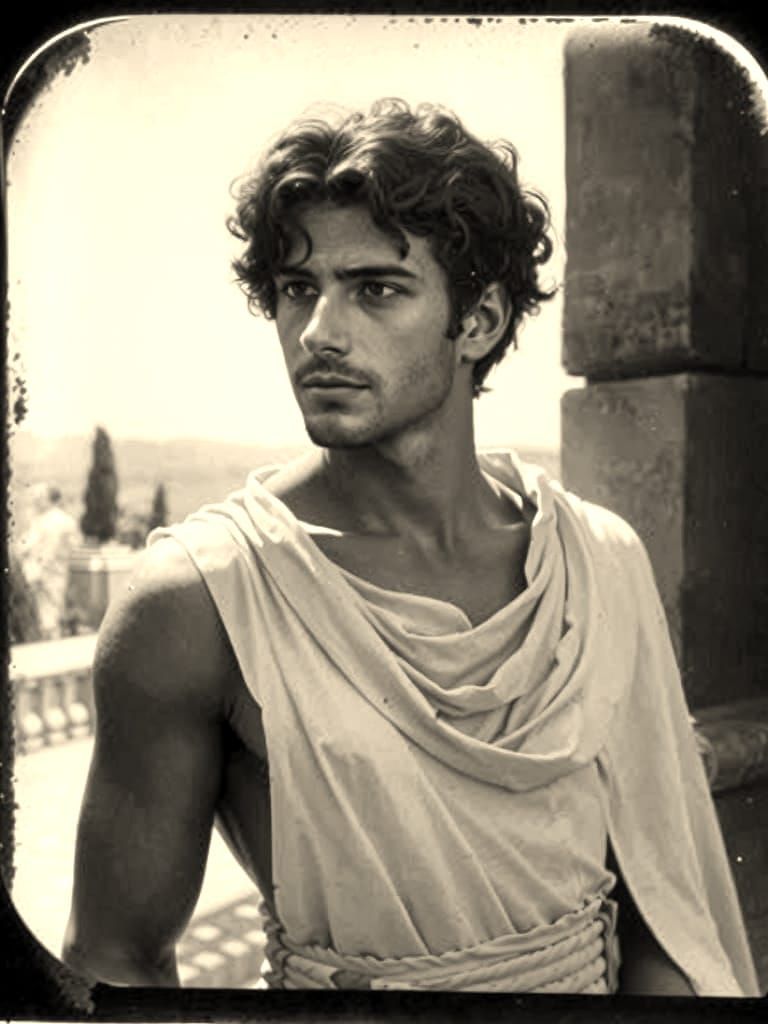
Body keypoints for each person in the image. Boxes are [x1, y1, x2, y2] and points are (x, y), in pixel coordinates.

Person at [62, 99, 759, 996]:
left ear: (478, 320)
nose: (318, 332)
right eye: (297, 289)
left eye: (376, 289)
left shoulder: (597, 561)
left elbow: (665, 914)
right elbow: (112, 963)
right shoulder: (196, 601)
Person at [17, 484, 79, 640]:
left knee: (50, 610)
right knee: (47, 610)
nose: (37, 502)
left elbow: (53, 549)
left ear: (50, 499)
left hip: (49, 570)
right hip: (41, 569)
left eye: (40, 498)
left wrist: (37, 566)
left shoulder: (58, 521)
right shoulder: (41, 520)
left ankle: (51, 641)